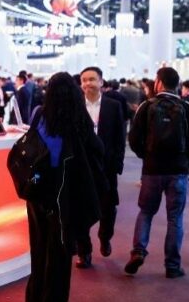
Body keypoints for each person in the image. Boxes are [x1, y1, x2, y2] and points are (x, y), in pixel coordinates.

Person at [24, 72, 106, 302]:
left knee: (39, 249)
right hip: (66, 197)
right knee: (60, 256)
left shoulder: (40, 115)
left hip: (38, 193)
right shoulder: (79, 118)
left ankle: (35, 296)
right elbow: (97, 150)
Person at [125, 67, 189, 278]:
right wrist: (187, 160)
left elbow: (134, 139)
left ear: (158, 83)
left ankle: (138, 251)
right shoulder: (187, 108)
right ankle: (172, 266)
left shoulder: (147, 106)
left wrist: (146, 156)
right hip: (178, 170)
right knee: (175, 218)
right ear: (177, 84)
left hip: (152, 170)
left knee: (146, 212)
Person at [75, 67, 126, 269]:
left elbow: (120, 137)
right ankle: (84, 251)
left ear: (101, 82)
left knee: (108, 208)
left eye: (92, 79)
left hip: (107, 167)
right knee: (80, 210)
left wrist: (118, 163)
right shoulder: (76, 106)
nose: (88, 83)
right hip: (82, 167)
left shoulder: (113, 106)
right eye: (84, 80)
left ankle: (105, 237)